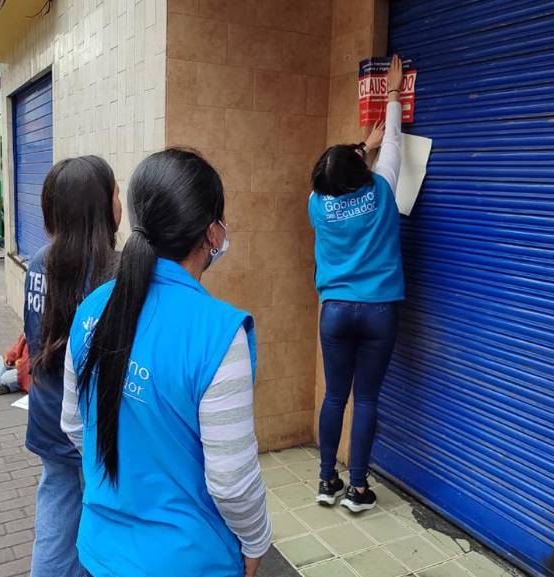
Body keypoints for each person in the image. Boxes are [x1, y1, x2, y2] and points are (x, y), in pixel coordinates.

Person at [62, 148, 271, 577]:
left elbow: (74, 425)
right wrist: (255, 540)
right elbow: (231, 482)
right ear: (212, 233)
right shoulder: (218, 333)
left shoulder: (91, 309)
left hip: (100, 553)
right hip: (190, 561)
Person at [309, 54, 405, 513]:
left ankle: (327, 481)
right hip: (380, 310)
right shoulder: (383, 188)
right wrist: (391, 95)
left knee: (334, 396)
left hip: (335, 312)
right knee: (365, 398)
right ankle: (358, 489)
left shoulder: (316, 204)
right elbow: (394, 147)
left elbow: (344, 174)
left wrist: (359, 151)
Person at [25, 156, 121, 577]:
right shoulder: (112, 274)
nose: (122, 201)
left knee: (55, 519)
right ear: (101, 208)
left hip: (47, 420)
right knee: (102, 528)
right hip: (92, 431)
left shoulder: (37, 264)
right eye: (116, 193)